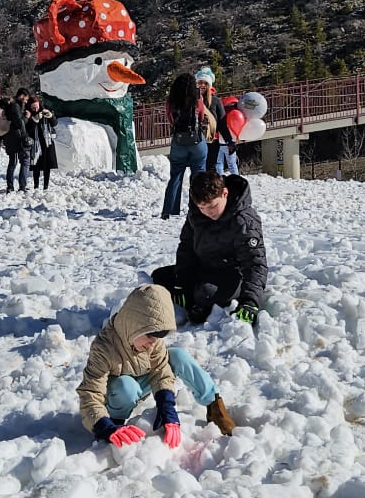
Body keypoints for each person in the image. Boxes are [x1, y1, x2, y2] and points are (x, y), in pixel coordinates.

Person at [78, 283, 235, 446]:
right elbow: (91, 392)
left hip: (141, 384)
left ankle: (215, 406)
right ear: (134, 326)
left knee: (178, 355)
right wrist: (105, 427)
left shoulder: (152, 341)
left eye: (157, 337)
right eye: (150, 336)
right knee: (125, 386)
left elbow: (160, 370)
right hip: (116, 398)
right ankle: (117, 423)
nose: (153, 343)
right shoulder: (104, 347)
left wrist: (166, 406)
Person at [153, 168, 267, 326]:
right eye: (202, 208)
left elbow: (255, 263)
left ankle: (201, 305)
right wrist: (182, 280)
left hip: (232, 274)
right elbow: (186, 247)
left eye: (212, 207)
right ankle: (193, 301)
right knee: (159, 277)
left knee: (206, 293)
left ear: (225, 193)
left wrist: (251, 301)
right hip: (204, 268)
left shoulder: (243, 221)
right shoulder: (196, 214)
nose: (207, 213)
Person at [161, 72, 212, 219]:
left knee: (176, 175)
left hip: (179, 141)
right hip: (196, 140)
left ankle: (169, 210)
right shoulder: (197, 98)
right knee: (198, 176)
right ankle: (197, 209)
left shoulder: (171, 100)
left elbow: (171, 119)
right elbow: (201, 116)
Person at [196, 65, 239, 177]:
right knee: (198, 168)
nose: (202, 85)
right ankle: (196, 192)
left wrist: (229, 141)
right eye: (200, 82)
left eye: (205, 83)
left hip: (212, 142)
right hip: (196, 141)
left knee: (210, 168)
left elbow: (222, 123)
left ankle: (210, 192)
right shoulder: (191, 101)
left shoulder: (216, 101)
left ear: (209, 85)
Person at [4, 91, 31, 192]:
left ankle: (11, 186)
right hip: (17, 138)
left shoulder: (11, 105)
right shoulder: (15, 106)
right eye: (26, 98)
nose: (26, 101)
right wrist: (26, 117)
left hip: (10, 138)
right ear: (22, 96)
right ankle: (21, 186)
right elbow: (19, 123)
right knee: (24, 161)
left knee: (13, 162)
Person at [29, 95, 58, 191]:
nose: (35, 108)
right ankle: (36, 185)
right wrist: (34, 120)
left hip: (47, 142)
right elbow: (28, 129)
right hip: (36, 143)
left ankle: (46, 185)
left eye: (36, 106)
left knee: (47, 165)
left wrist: (50, 116)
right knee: (36, 165)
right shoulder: (29, 114)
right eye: (33, 107)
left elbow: (54, 123)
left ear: (39, 104)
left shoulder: (46, 110)